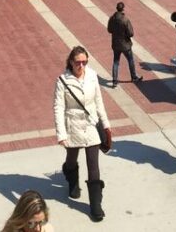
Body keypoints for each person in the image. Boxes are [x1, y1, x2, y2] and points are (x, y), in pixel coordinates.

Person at [53, 45, 111, 221]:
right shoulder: (62, 80)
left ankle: (95, 205)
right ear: (71, 62)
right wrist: (61, 134)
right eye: (78, 62)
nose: (82, 66)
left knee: (93, 165)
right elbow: (58, 107)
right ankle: (72, 179)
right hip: (73, 126)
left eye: (85, 62)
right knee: (72, 159)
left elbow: (99, 102)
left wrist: (106, 125)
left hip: (91, 125)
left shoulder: (92, 76)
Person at [106, 2, 143, 87]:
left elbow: (109, 30)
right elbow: (131, 33)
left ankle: (114, 80)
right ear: (123, 9)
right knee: (130, 60)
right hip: (126, 45)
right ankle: (133, 77)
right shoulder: (125, 20)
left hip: (115, 44)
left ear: (116, 8)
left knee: (116, 62)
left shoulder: (112, 18)